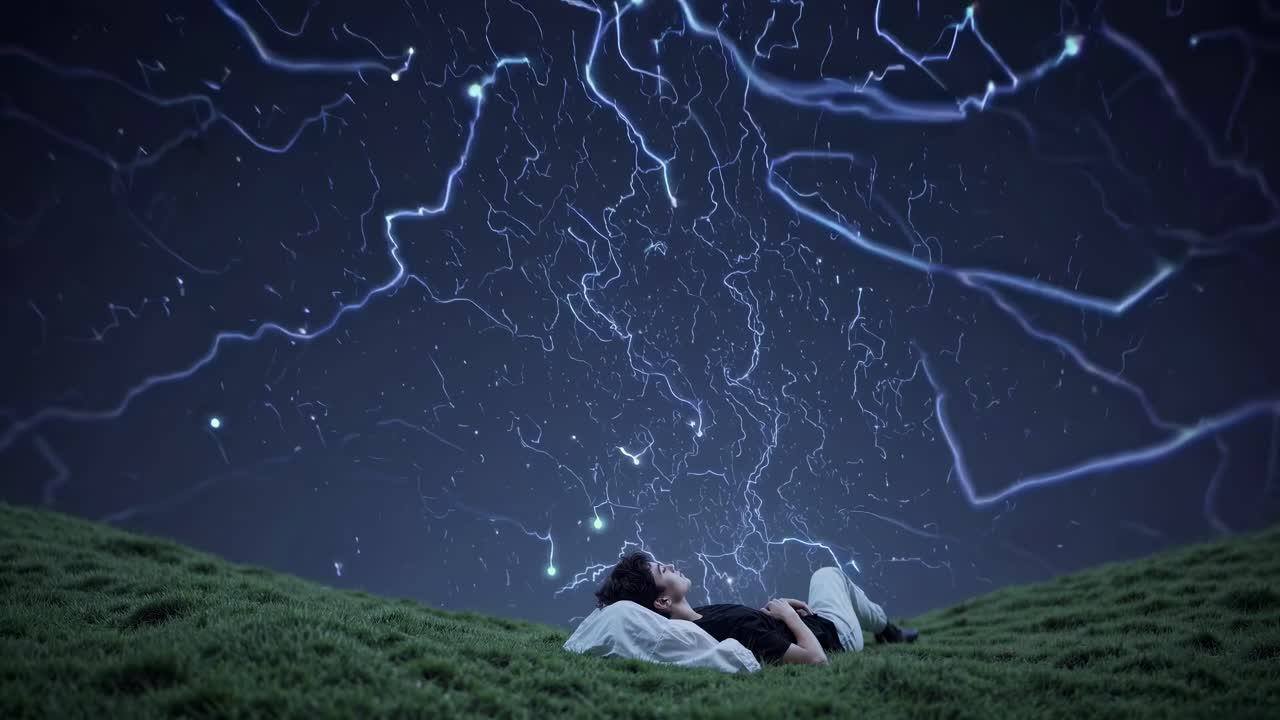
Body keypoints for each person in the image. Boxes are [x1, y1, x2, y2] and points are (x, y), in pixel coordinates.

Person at [593, 551, 919, 666]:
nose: (672, 564)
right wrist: (791, 618)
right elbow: (817, 661)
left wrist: (773, 611)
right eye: (664, 570)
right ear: (662, 601)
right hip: (836, 637)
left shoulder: (702, 617)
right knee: (829, 574)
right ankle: (888, 631)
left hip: (809, 623)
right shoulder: (729, 630)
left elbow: (756, 628)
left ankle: (887, 628)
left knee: (826, 578)